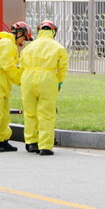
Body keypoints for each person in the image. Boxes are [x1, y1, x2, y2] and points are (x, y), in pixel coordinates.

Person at [20, 20, 69, 156]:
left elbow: (22, 65)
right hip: (47, 80)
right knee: (46, 114)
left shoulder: (29, 47)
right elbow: (63, 68)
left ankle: (31, 143)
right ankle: (45, 146)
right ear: (53, 31)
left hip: (28, 79)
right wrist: (59, 82)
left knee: (30, 113)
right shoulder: (58, 47)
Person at [0, 22, 30, 152]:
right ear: (19, 33)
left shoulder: (10, 45)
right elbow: (8, 66)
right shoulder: (6, 44)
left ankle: (4, 140)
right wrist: (20, 80)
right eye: (23, 38)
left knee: (4, 113)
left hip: (1, 81)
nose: (23, 41)